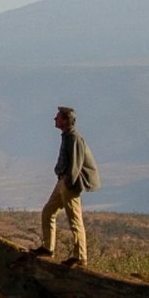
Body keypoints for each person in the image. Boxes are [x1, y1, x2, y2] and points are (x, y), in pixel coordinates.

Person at [31, 105, 94, 267]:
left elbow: (76, 164)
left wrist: (68, 182)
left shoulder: (74, 138)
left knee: (75, 220)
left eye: (58, 117)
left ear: (65, 120)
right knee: (48, 211)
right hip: (62, 181)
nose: (55, 119)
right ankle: (48, 248)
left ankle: (80, 257)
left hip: (68, 183)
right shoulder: (67, 136)